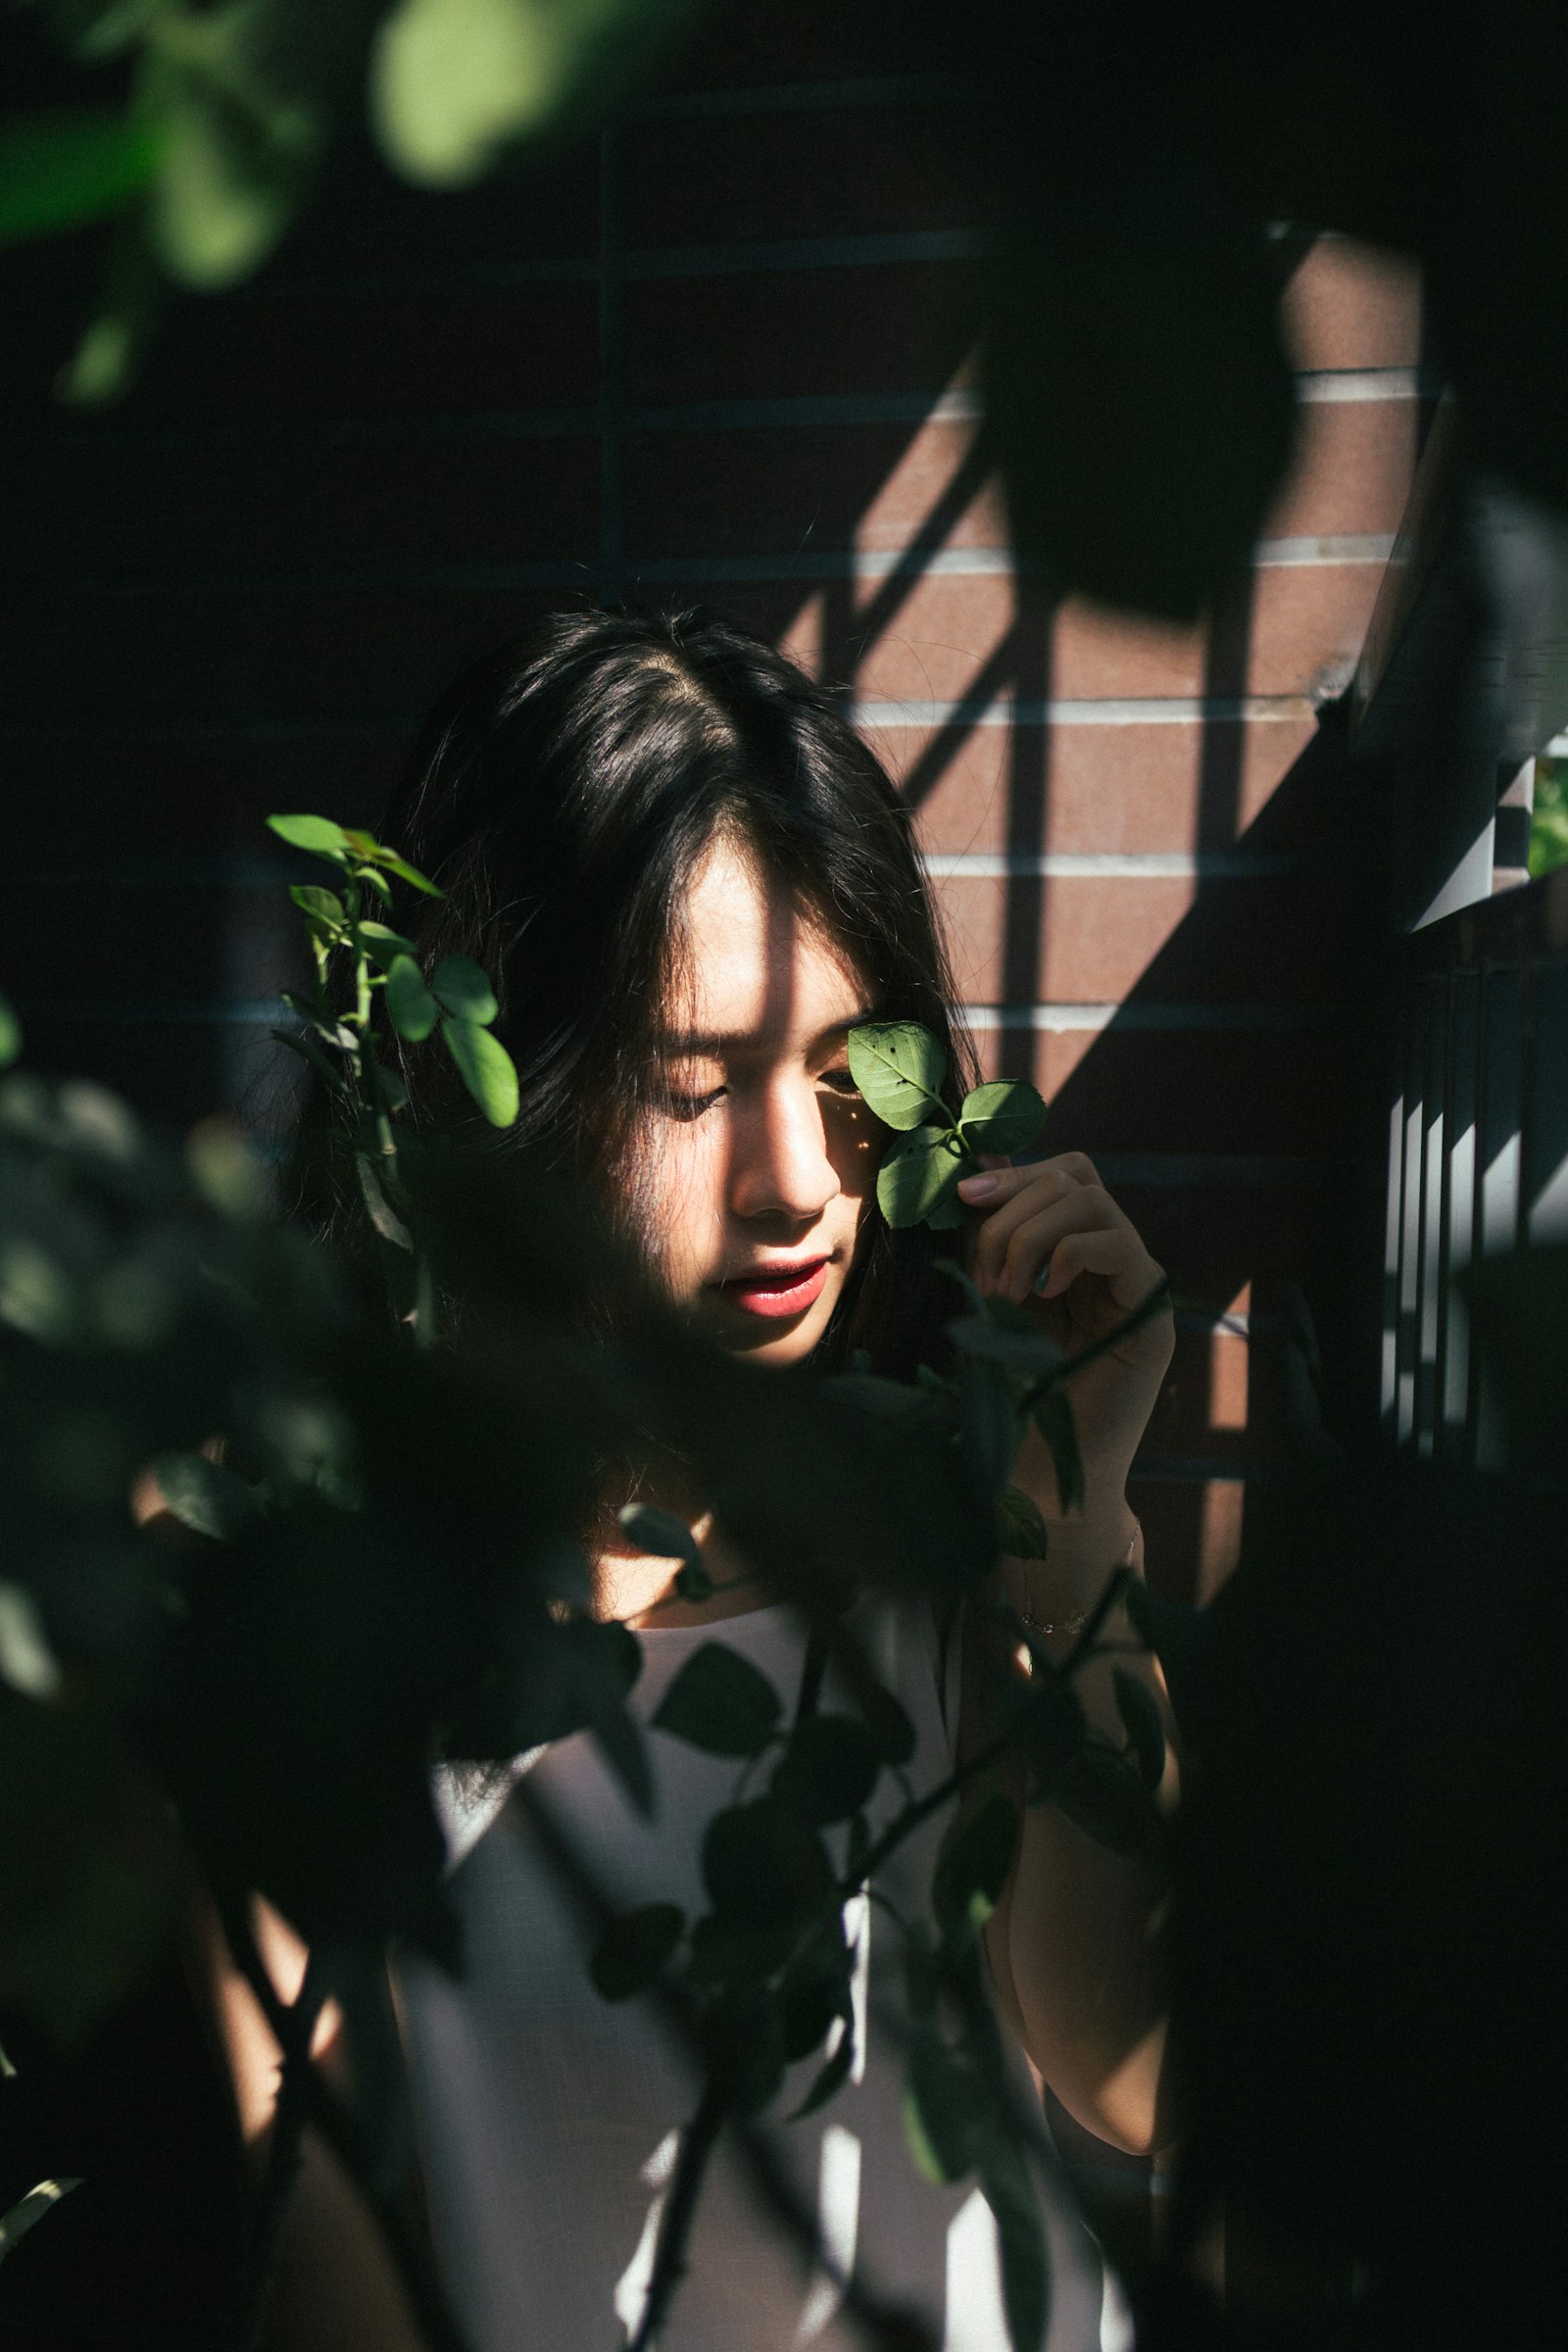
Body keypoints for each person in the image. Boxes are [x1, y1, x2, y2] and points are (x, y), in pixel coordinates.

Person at [214, 606, 1178, 2352]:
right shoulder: (352, 1613)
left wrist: (1083, 1525)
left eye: (839, 1072)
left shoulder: (943, 1523)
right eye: (694, 1086)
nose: (800, 1177)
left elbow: (1140, 2079)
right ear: (505, 1084)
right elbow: (323, 2259)